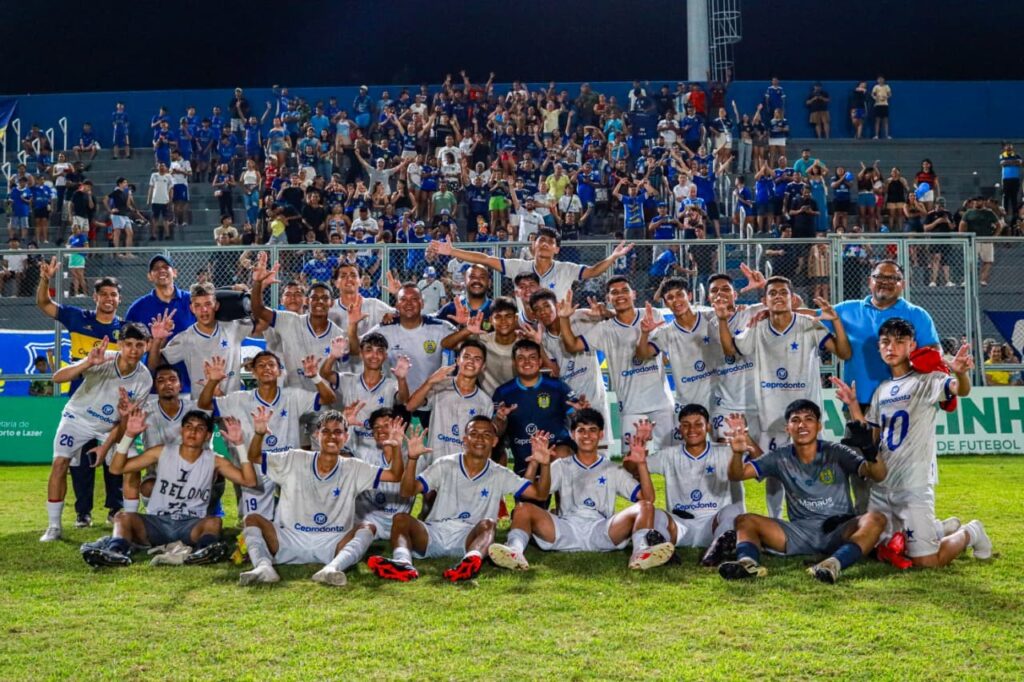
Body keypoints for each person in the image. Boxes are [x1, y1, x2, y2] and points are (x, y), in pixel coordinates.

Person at [833, 319, 992, 568]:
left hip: (914, 484)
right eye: (885, 342)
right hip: (882, 484)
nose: (891, 347)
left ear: (912, 345)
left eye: (899, 341)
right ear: (879, 348)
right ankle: (940, 528)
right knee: (877, 549)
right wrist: (853, 406)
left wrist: (960, 373)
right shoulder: (882, 390)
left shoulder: (928, 380)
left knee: (926, 562)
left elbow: (959, 390)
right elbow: (872, 436)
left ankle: (971, 532)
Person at [716, 276, 852, 519]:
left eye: (783, 292)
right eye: (772, 293)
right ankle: (775, 519)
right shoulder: (757, 327)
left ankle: (818, 515)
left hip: (806, 417)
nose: (778, 296)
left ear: (792, 299)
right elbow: (730, 350)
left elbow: (844, 352)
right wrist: (723, 320)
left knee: (812, 467)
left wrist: (836, 322)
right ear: (765, 300)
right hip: (772, 416)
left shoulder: (808, 324)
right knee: (775, 472)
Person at [717, 399, 889, 583]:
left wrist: (870, 450)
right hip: (799, 532)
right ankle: (747, 564)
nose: (802, 425)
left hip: (839, 529)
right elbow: (737, 475)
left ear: (819, 426)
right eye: (795, 420)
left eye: (808, 419)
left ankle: (832, 565)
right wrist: (736, 453)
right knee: (745, 520)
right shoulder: (780, 456)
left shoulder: (836, 451)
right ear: (787, 428)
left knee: (876, 518)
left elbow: (878, 475)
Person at [367, 415, 552, 583]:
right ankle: (402, 563)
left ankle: (469, 562)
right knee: (400, 519)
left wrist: (544, 465)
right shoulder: (445, 464)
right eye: (474, 433)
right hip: (435, 532)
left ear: (494, 441)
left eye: (486, 434)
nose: (479, 439)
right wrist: (413, 458)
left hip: (470, 536)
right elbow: (407, 491)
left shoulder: (500, 473)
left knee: (488, 524)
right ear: (465, 439)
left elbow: (540, 494)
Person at [489, 409, 675, 571]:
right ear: (572, 434)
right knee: (522, 508)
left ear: (601, 434)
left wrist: (641, 464)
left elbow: (648, 499)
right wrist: (542, 465)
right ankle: (514, 551)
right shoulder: (562, 465)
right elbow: (540, 495)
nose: (587, 435)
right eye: (581, 430)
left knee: (645, 506)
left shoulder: (612, 469)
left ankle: (641, 552)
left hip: (602, 530)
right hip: (565, 528)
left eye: (593, 430)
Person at [238, 409, 406, 586]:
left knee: (367, 527)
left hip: (332, 543)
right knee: (252, 519)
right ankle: (264, 568)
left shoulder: (355, 467)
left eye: (338, 431)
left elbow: (395, 475)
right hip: (290, 539)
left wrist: (396, 447)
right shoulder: (294, 458)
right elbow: (254, 456)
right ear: (317, 435)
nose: (331, 436)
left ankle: (332, 568)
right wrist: (258, 434)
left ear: (346, 437)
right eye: (326, 431)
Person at [83, 409, 255, 567]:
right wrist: (128, 435)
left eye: (199, 428)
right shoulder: (162, 451)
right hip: (157, 521)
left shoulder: (215, 460)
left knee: (214, 521)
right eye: (188, 426)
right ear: (182, 431)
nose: (193, 432)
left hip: (191, 524)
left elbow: (249, 481)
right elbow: (116, 468)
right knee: (123, 517)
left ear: (208, 436)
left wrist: (239, 444)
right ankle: (116, 552)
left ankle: (203, 552)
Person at [40, 323, 153, 542]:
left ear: (147, 346)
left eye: (139, 345)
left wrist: (106, 446)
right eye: (128, 344)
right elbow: (58, 378)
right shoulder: (104, 357)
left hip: (110, 427)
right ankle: (54, 526)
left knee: (131, 466)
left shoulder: (144, 379)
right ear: (120, 344)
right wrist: (86, 363)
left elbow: (125, 422)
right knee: (59, 463)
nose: (133, 350)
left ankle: (129, 522)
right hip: (77, 418)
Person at [36, 257, 124, 528]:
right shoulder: (78, 318)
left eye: (114, 294)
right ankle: (82, 513)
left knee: (114, 462)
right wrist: (45, 280)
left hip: (111, 407)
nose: (109, 299)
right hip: (80, 404)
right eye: (104, 294)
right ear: (95, 297)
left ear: (119, 299)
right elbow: (44, 304)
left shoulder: (125, 328)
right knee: (78, 464)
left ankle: (115, 510)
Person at [198, 350, 334, 519]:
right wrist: (212, 382)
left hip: (288, 462)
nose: (266, 368)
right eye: (260, 366)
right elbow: (204, 403)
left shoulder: (293, 395)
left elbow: (328, 398)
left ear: (279, 371)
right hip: (256, 463)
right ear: (253, 372)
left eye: (271, 365)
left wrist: (315, 377)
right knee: (255, 520)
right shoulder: (239, 399)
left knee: (298, 518)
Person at [557, 278, 676, 452]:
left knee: (672, 458)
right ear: (608, 298)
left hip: (662, 403)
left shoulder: (652, 315)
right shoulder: (604, 329)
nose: (620, 295)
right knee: (633, 462)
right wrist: (564, 319)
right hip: (630, 407)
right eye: (614, 292)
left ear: (633, 294)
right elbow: (572, 346)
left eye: (624, 290)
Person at [642, 405, 755, 566]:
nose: (691, 429)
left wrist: (746, 436)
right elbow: (634, 468)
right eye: (686, 425)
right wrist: (641, 445)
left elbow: (760, 462)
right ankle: (665, 552)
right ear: (679, 429)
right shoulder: (668, 455)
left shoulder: (725, 452)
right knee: (656, 514)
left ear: (708, 427)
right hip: (681, 525)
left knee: (733, 510)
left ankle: (716, 551)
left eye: (698, 424)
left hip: (714, 526)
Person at [429, 228, 633, 316]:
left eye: (550, 242)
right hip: (526, 326)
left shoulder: (565, 269)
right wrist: (452, 251)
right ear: (533, 245)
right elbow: (485, 259)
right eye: (541, 240)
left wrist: (612, 257)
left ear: (557, 249)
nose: (545, 244)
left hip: (557, 327)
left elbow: (593, 272)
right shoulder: (519, 267)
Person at [354, 283, 458, 425]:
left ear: (422, 302)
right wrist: (352, 325)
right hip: (396, 403)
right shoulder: (385, 328)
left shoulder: (441, 327)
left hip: (431, 402)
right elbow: (356, 348)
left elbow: (464, 346)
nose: (409, 303)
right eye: (403, 299)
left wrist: (466, 328)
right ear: (396, 304)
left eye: (414, 299)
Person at [250, 252, 343, 392]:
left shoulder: (338, 333)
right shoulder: (285, 319)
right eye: (288, 294)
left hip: (323, 397)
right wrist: (258, 284)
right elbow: (258, 310)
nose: (320, 302)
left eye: (297, 294)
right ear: (309, 301)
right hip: (288, 390)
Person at [493, 339, 582, 476]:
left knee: (563, 456)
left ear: (540, 361)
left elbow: (575, 417)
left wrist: (579, 413)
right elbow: (497, 431)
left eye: (532, 357)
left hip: (555, 449)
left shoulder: (557, 386)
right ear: (514, 362)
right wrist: (500, 418)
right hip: (525, 458)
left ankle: (564, 495)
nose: (527, 362)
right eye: (521, 358)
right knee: (529, 496)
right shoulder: (503, 393)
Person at [147, 282, 255, 395]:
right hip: (201, 407)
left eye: (208, 304)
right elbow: (154, 366)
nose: (203, 309)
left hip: (232, 404)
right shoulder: (185, 339)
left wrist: (251, 296)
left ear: (216, 305)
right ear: (192, 308)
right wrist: (157, 341)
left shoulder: (233, 327)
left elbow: (263, 321)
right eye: (197, 305)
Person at [318, 333, 410, 461]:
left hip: (381, 452)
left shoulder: (391, 385)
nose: (374, 355)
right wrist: (333, 356)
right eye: (369, 350)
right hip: (351, 451)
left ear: (385, 356)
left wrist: (402, 379)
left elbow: (404, 399)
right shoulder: (348, 380)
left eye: (379, 351)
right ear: (361, 353)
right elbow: (325, 373)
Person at [635, 278, 717, 412]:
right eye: (670, 298)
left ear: (689, 296)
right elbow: (642, 355)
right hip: (686, 405)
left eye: (680, 295)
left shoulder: (711, 318)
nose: (676, 300)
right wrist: (644, 334)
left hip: (717, 401)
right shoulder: (666, 332)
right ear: (666, 303)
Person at [406, 339, 492, 466]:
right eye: (466, 356)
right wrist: (429, 382)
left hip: (464, 469)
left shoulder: (485, 402)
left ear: (483, 366)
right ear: (458, 360)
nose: (471, 362)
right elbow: (410, 406)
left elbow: (486, 442)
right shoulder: (439, 385)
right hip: (434, 465)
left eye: (477, 359)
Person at [124, 255, 195, 391]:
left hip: (191, 382)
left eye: (165, 267)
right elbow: (128, 348)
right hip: (152, 384)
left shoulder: (192, 301)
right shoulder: (137, 308)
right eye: (156, 269)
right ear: (150, 276)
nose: (161, 270)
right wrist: (154, 342)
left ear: (175, 272)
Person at [958, 197, 1003, 286]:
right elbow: (962, 225)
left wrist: (994, 237)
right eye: (975, 201)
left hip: (987, 240)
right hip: (973, 241)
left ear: (983, 202)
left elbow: (999, 225)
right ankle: (967, 280)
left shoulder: (989, 213)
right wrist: (962, 236)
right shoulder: (968, 213)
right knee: (970, 261)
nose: (976, 202)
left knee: (988, 261)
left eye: (978, 201)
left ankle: (982, 280)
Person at [999, 142, 1021, 228]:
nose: (1009, 148)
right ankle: (1005, 211)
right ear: (1005, 148)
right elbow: (1003, 163)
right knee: (1006, 195)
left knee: (1014, 196)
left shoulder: (1017, 155)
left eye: (1010, 146)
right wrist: (1014, 162)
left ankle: (1015, 213)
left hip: (1015, 178)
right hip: (1006, 179)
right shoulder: (1002, 155)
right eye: (1007, 146)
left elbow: (1020, 162)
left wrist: (1010, 162)